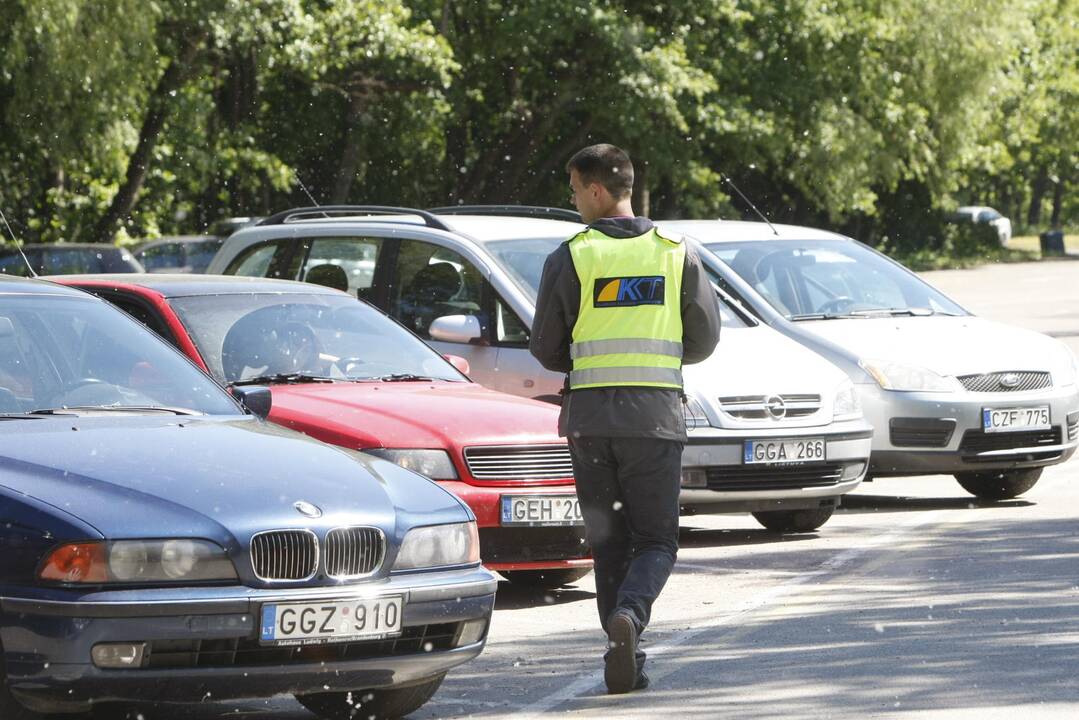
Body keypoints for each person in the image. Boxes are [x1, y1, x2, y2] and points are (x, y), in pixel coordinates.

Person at [530, 143, 721, 693]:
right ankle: (631, 618)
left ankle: (623, 655)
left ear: (595, 190)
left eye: (573, 190)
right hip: (654, 421)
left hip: (590, 421)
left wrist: (589, 356)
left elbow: (545, 347)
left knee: (609, 541)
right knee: (657, 541)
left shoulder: (572, 255)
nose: (572, 200)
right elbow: (704, 340)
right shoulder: (675, 251)